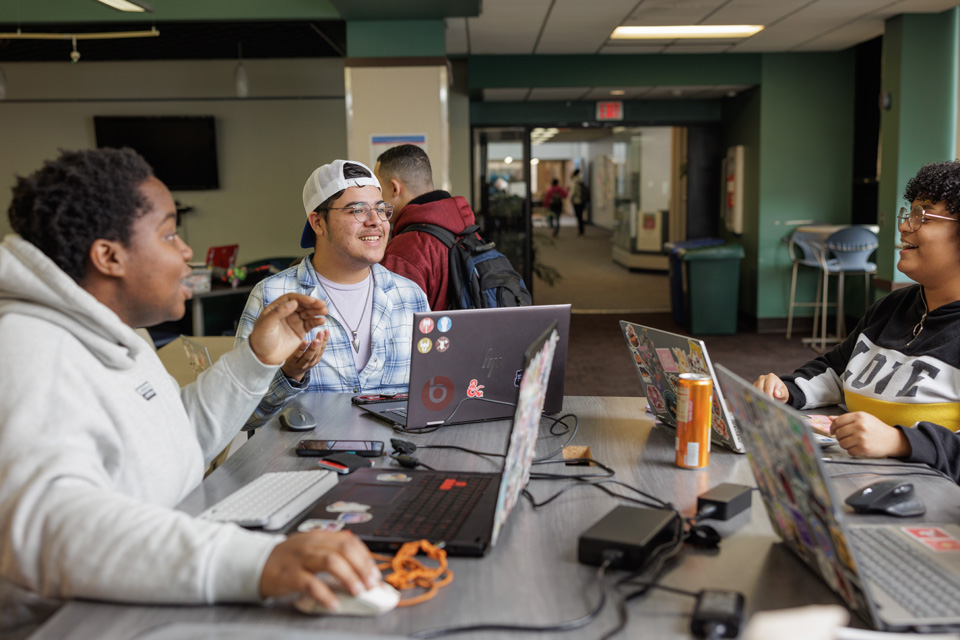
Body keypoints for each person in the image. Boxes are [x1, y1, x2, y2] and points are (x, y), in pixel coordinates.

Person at [0, 148, 381, 637]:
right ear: (108, 256)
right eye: (169, 234)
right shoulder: (27, 348)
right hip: (79, 619)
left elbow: (174, 436)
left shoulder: (121, 334)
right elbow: (52, 525)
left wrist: (256, 359)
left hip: (143, 585)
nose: (185, 251)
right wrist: (256, 562)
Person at [754, 160, 960, 480]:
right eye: (909, 214)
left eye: (923, 215)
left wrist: (901, 441)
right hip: (858, 474)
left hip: (929, 497)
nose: (905, 226)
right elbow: (837, 371)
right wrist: (787, 389)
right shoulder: (892, 307)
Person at [235, 159, 429, 427]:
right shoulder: (273, 296)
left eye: (381, 209)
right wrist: (290, 376)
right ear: (318, 222)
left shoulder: (410, 296)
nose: (376, 222)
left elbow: (430, 397)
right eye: (358, 210)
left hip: (394, 461)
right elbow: (240, 417)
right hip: (304, 464)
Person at [375, 144, 478, 311]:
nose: (376, 197)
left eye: (378, 188)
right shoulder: (468, 231)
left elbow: (396, 325)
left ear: (394, 188)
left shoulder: (404, 250)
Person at [570, 168, 586, 236]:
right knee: (580, 216)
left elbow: (573, 192)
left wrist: (571, 198)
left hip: (576, 201)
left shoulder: (575, 181)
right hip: (582, 200)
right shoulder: (581, 181)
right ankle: (581, 229)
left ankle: (580, 230)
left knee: (578, 216)